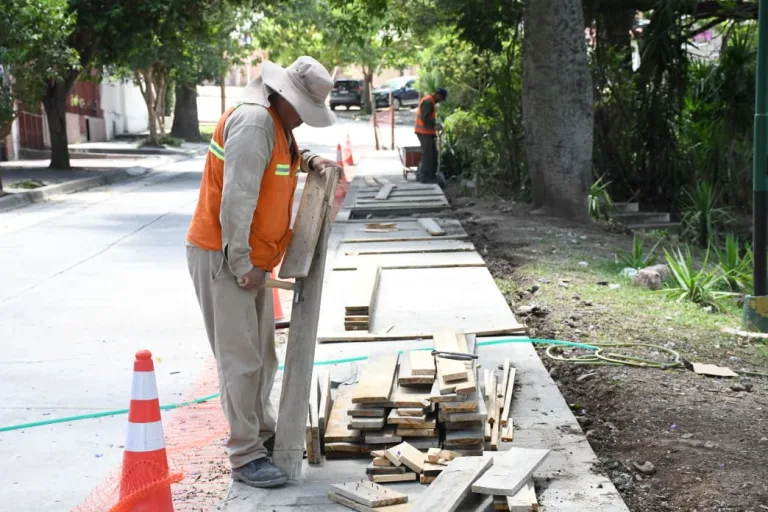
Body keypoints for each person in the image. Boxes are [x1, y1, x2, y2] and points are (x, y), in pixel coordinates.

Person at [185, 56, 340, 489]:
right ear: (289, 98)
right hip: (224, 257)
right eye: (305, 113)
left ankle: (263, 435)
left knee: (263, 356)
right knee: (240, 359)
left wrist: (307, 159)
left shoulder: (276, 123)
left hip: (249, 257)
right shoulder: (255, 123)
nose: (304, 124)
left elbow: (276, 160)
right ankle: (245, 454)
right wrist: (242, 265)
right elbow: (237, 199)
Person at [414, 87, 447, 184]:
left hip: (427, 133)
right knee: (428, 155)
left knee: (432, 154)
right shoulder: (428, 102)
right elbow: (425, 118)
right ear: (438, 95)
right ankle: (425, 177)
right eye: (441, 98)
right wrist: (434, 125)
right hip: (424, 132)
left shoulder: (430, 101)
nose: (440, 101)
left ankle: (430, 176)